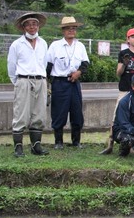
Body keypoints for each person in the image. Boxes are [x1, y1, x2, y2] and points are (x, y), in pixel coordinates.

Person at [100, 27, 134, 155]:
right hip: (124, 90)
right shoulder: (124, 54)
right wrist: (124, 64)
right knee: (116, 117)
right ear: (128, 39)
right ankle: (110, 143)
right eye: (133, 37)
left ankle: (131, 145)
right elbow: (118, 73)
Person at [7, 12, 49, 157]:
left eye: (34, 24)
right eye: (29, 24)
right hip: (23, 79)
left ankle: (36, 146)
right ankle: (18, 147)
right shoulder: (17, 44)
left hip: (41, 79)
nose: (32, 27)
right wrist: (19, 82)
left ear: (38, 26)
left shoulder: (43, 43)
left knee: (39, 113)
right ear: (24, 26)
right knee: (21, 113)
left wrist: (42, 79)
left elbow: (44, 63)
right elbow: (11, 66)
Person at [45, 16, 90, 149]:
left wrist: (78, 73)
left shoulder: (80, 46)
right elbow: (48, 65)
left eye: (74, 28)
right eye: (68, 28)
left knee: (77, 112)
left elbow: (85, 63)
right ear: (63, 30)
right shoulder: (55, 45)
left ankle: (76, 141)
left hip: (74, 83)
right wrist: (48, 82)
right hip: (59, 82)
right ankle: (58, 141)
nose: (71, 31)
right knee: (59, 112)